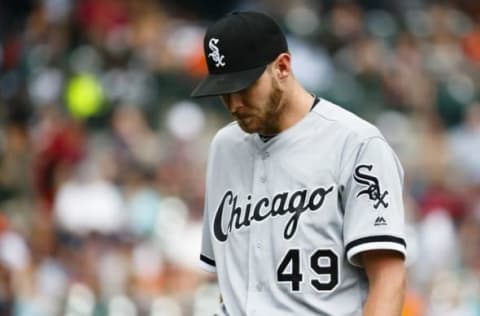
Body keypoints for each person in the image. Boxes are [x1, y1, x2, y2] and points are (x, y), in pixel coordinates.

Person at [192, 11, 407, 316]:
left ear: (282, 67)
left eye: (244, 87)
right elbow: (231, 282)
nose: (234, 104)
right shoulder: (224, 148)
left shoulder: (356, 143)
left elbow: (388, 278)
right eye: (224, 93)